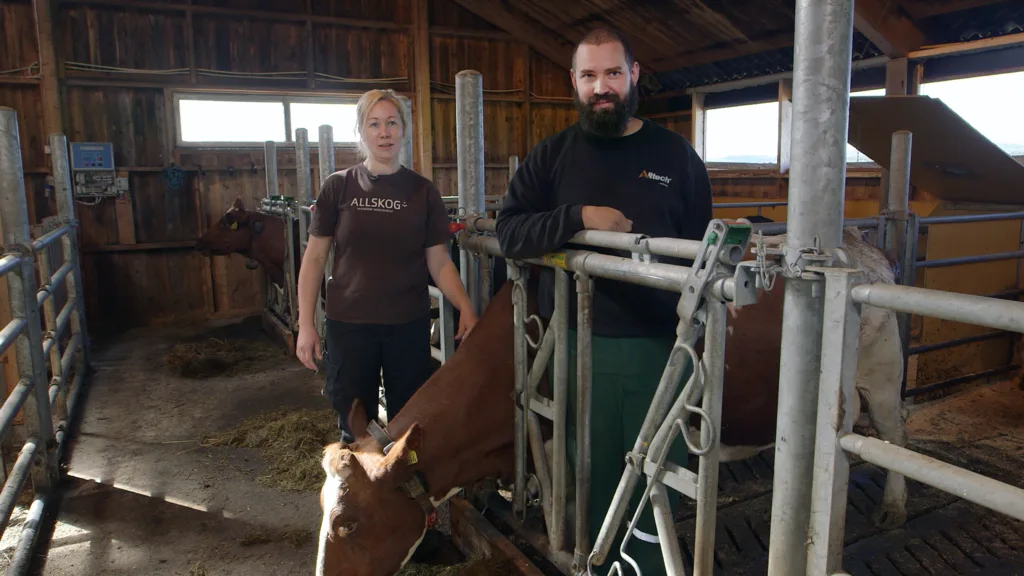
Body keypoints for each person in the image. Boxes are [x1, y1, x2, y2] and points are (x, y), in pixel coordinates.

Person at [495, 29, 713, 575]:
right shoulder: (553, 157)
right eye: (589, 76)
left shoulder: (676, 156)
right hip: (575, 345)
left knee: (654, 471)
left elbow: (700, 249)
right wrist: (579, 217)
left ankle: (647, 567)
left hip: (656, 347)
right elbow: (509, 231)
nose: (602, 88)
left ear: (633, 76)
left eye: (613, 74)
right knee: (585, 467)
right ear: (574, 82)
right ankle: (594, 564)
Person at [297, 88, 478, 445]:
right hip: (350, 325)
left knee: (408, 419)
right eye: (375, 124)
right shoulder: (338, 186)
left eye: (392, 123)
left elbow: (438, 260)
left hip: (407, 325)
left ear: (403, 130)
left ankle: (400, 492)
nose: (384, 132)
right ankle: (357, 492)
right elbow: (315, 257)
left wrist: (465, 305)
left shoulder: (422, 192)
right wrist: (306, 324)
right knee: (354, 421)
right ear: (361, 132)